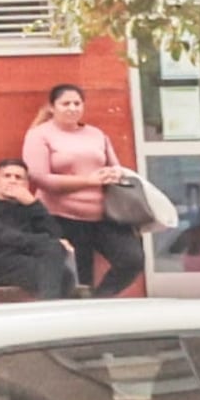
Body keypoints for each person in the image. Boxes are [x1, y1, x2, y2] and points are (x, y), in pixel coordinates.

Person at [20, 82, 147, 297]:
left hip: (105, 215)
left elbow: (114, 165)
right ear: (52, 107)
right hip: (62, 217)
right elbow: (40, 179)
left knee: (132, 259)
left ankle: (99, 300)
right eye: (65, 103)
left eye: (77, 103)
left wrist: (113, 174)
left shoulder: (96, 134)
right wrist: (88, 181)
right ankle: (83, 313)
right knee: (79, 278)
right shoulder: (39, 135)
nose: (72, 108)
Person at [0, 160, 79, 300]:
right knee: (55, 272)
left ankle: (47, 307)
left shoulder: (29, 209)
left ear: (26, 185)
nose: (12, 181)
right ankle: (48, 310)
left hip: (30, 261)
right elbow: (3, 236)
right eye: (7, 176)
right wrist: (44, 242)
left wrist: (33, 203)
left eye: (18, 178)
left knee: (65, 274)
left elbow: (55, 234)